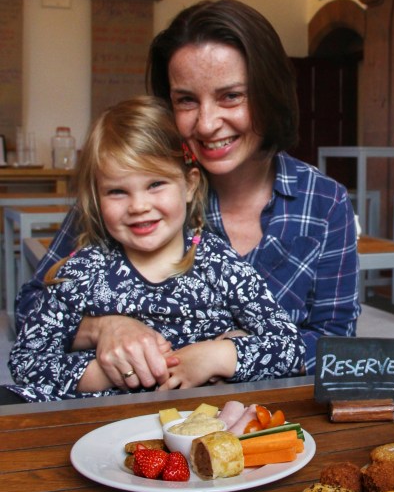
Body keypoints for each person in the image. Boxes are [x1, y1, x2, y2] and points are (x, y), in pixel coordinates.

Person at [15, 0, 359, 384]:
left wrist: (228, 355)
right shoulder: (132, 190)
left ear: (271, 92)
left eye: (231, 96)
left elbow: (338, 344)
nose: (207, 124)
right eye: (186, 100)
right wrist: (104, 327)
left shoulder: (324, 202)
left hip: (265, 412)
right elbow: (31, 312)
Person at [7, 97, 305, 402]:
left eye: (155, 184)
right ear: (96, 198)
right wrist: (106, 373)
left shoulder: (218, 262)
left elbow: (290, 348)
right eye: (117, 191)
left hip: (198, 417)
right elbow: (26, 362)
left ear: (189, 185)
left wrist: (217, 356)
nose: (138, 206)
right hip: (100, 418)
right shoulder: (82, 272)